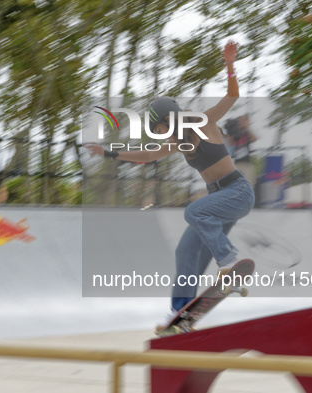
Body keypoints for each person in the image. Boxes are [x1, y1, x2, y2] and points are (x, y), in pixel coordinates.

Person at [85, 41, 255, 324]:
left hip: (237, 192)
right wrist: (109, 153)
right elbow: (148, 156)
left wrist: (229, 64)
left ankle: (228, 261)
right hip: (218, 201)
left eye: (161, 129)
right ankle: (181, 311)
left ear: (170, 117)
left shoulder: (203, 122)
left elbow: (232, 96)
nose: (162, 136)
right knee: (186, 249)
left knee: (194, 211)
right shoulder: (176, 142)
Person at [224, 114, 258, 187]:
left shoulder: (246, 133)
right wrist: (231, 133)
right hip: (237, 164)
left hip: (247, 164)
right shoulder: (233, 134)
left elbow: (254, 139)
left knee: (249, 185)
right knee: (236, 185)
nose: (241, 123)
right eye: (240, 121)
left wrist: (247, 128)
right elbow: (230, 148)